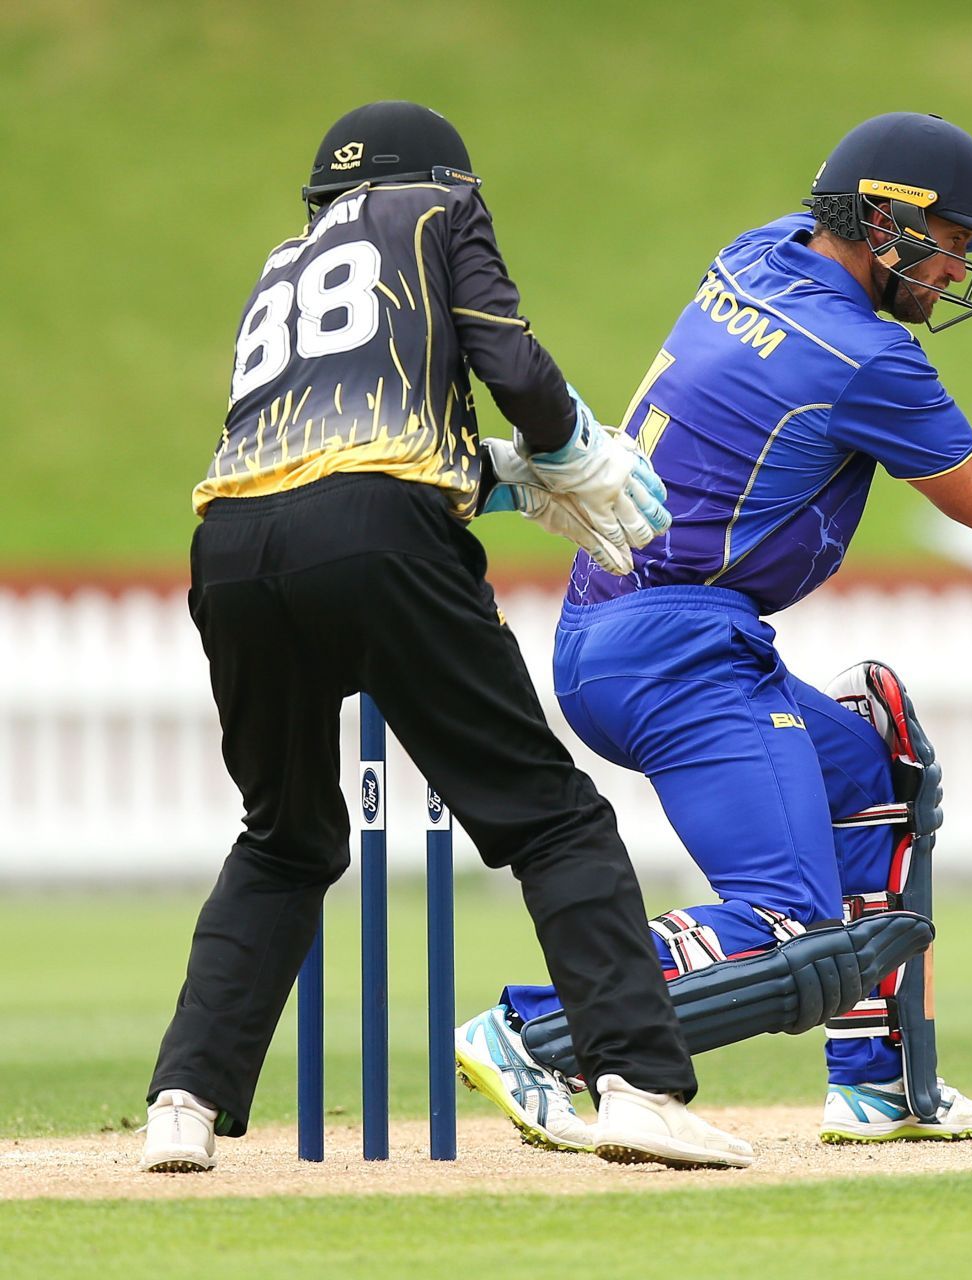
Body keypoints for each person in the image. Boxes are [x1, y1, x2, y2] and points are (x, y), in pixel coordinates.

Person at [452, 112, 972, 1148]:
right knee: (785, 923)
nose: (953, 270)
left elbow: (896, 205)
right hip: (678, 650)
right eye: (951, 247)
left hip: (623, 622)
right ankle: (534, 1031)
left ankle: (879, 1083)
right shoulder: (865, 355)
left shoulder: (760, 251)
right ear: (883, 230)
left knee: (873, 773)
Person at [138, 100, 753, 1173]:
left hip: (230, 545)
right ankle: (640, 1087)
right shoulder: (436, 212)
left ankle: (181, 1102)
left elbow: (328, 435)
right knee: (552, 819)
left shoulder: (282, 264)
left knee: (283, 836)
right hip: (380, 534)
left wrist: (503, 477)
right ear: (446, 181)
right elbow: (508, 362)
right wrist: (568, 446)